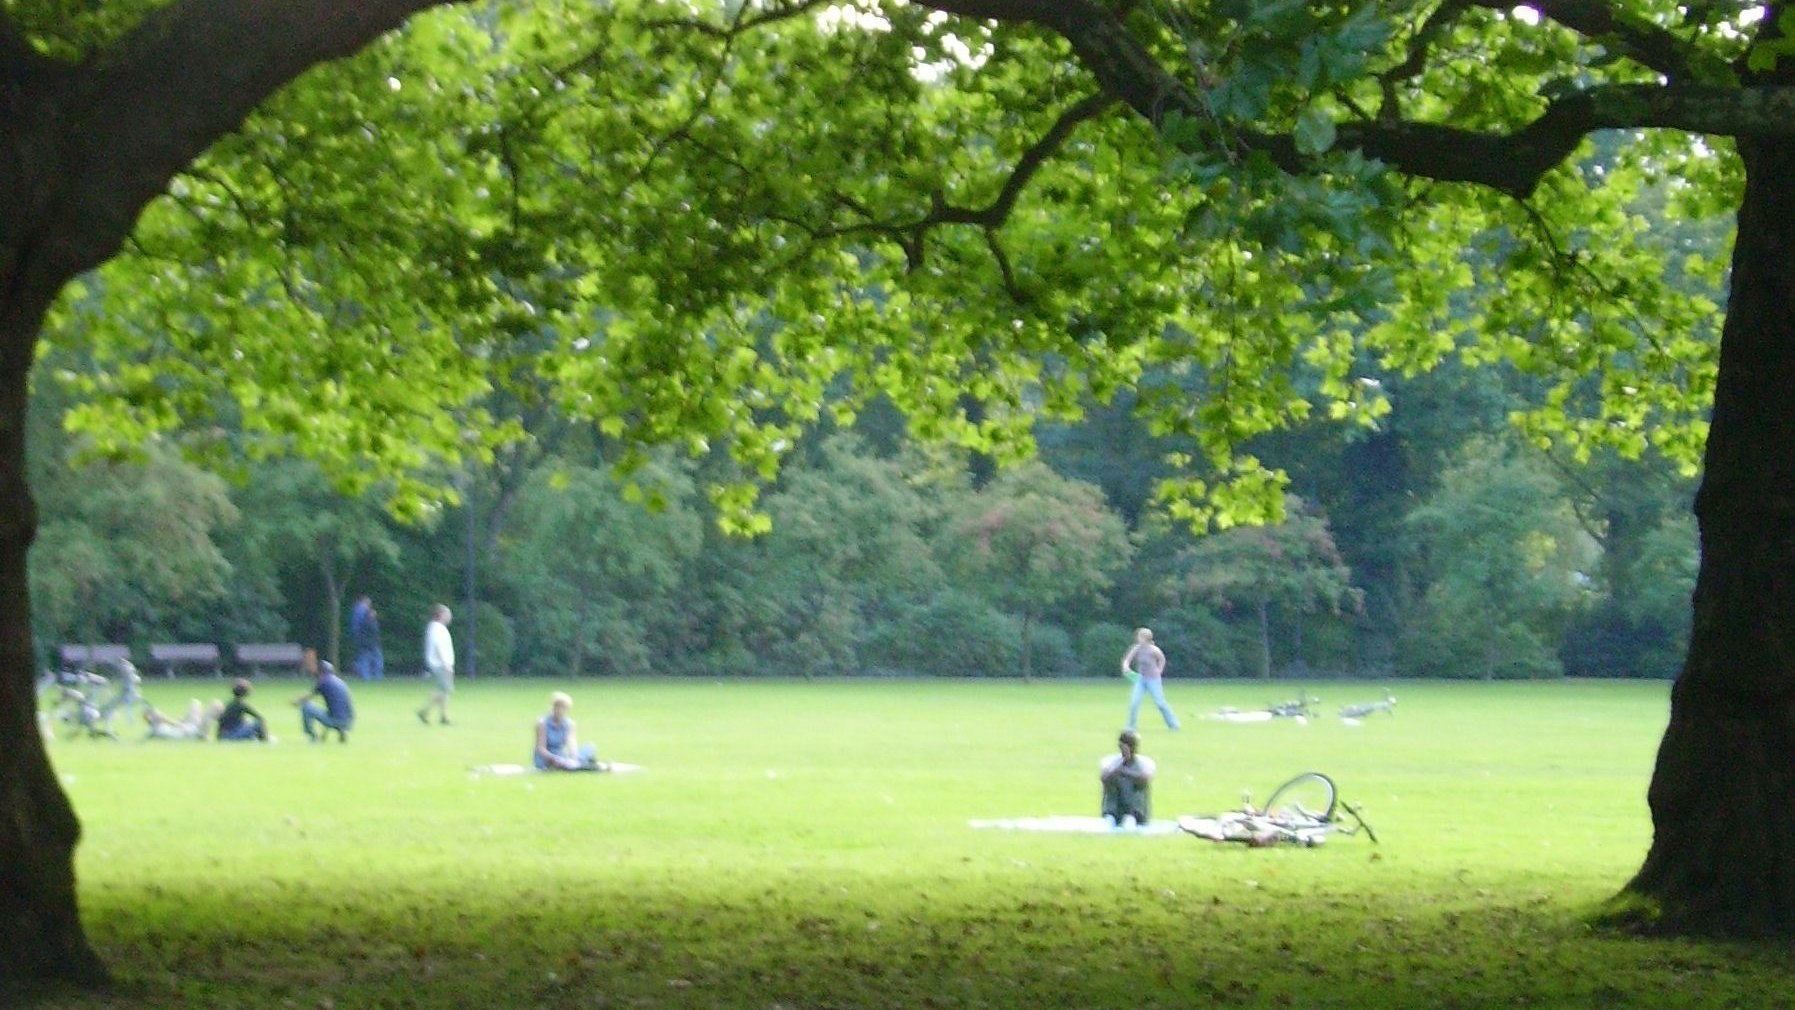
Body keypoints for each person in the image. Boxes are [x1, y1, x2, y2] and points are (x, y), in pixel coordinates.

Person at [1120, 627, 1180, 732]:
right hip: (1141, 680)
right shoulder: (1136, 648)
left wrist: (1159, 671)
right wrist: (1126, 667)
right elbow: (1127, 660)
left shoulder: (1154, 650)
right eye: (1138, 637)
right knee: (1134, 702)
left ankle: (1173, 725)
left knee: (1160, 703)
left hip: (1153, 680)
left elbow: (1162, 660)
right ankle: (1131, 726)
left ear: (1146, 639)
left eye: (1141, 637)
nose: (1138, 639)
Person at [1100, 729, 1155, 828]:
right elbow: (1104, 779)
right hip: (1115, 808)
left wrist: (1125, 772)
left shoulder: (1145, 763)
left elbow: (1146, 779)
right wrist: (1120, 765)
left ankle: (1132, 816)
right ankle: (1112, 815)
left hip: (1136, 812)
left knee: (1139, 787)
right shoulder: (1110, 761)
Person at [533, 691, 601, 771]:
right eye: (557, 707)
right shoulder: (542, 723)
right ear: (552, 707)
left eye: (562, 708)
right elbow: (541, 749)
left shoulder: (569, 724)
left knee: (590, 747)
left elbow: (571, 743)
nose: (559, 710)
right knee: (567, 762)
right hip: (546, 758)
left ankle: (579, 764)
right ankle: (586, 765)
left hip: (560, 754)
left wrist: (574, 757)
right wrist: (555, 759)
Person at [293, 658, 354, 742]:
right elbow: (333, 709)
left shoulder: (323, 682)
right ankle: (341, 731)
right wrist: (324, 735)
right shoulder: (339, 681)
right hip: (349, 721)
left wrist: (295, 702)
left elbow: (307, 696)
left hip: (335, 720)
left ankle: (313, 737)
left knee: (306, 707)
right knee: (335, 712)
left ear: (321, 671)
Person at [418, 604, 454, 726]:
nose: (449, 616)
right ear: (441, 615)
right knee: (445, 689)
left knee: (444, 691)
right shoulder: (437, 628)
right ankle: (424, 711)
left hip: (440, 663)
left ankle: (444, 716)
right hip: (440, 664)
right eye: (447, 613)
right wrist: (446, 664)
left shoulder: (435, 627)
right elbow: (439, 646)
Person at [350, 595, 384, 681]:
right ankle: (377, 677)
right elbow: (373, 631)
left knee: (364, 658)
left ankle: (366, 677)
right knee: (376, 659)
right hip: (370, 642)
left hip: (363, 640)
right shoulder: (364, 613)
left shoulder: (356, 610)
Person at [143, 699, 214, 741]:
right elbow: (179, 728)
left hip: (190, 727)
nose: (160, 713)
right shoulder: (157, 730)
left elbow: (176, 726)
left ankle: (204, 735)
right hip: (194, 732)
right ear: (151, 718)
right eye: (156, 713)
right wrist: (164, 719)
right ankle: (204, 736)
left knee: (195, 702)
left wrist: (182, 720)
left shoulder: (160, 727)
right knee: (215, 706)